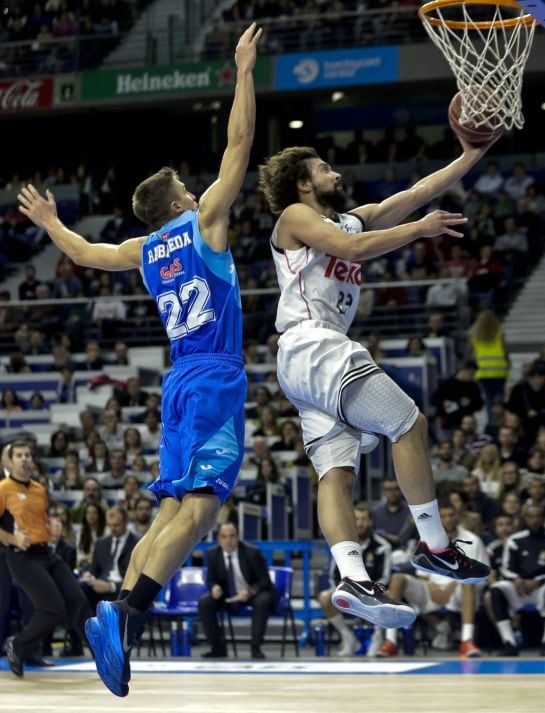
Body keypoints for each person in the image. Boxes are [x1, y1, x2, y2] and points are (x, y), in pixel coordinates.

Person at [18, 23, 261, 697]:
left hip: (179, 378)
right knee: (203, 507)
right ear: (180, 203)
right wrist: (242, 71)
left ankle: (118, 611)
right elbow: (239, 143)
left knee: (170, 508)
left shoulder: (144, 250)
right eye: (189, 185)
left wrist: (50, 225)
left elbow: (83, 254)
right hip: (213, 373)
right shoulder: (203, 220)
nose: (196, 187)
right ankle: (126, 613)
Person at [257, 136, 493, 629]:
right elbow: (352, 247)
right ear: (303, 184)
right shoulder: (295, 218)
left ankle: (352, 578)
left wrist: (469, 156)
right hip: (312, 345)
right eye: (325, 169)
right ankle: (435, 546)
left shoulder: (348, 216)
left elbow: (411, 195)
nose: (335, 174)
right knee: (408, 423)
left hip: (305, 365)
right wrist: (419, 231)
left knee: (337, 474)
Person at [0, 441, 92, 677]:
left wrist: (49, 529)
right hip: (23, 557)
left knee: (76, 597)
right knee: (52, 607)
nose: (24, 459)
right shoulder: (4, 488)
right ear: (9, 461)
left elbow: (37, 520)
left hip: (46, 553)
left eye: (28, 455)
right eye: (19, 455)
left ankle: (91, 646)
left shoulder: (39, 489)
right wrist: (12, 538)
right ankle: (18, 644)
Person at [376, 501, 489, 659]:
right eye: (443, 516)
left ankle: (467, 641)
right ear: (437, 519)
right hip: (430, 589)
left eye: (451, 515)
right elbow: (421, 573)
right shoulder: (428, 539)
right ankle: (390, 641)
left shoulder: (472, 539)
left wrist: (452, 585)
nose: (448, 519)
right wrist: (430, 585)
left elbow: (481, 574)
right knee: (397, 579)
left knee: (467, 583)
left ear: (458, 517)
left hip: (459, 592)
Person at [318, 504, 392, 657]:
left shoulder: (382, 546)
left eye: (364, 519)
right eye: (356, 519)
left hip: (374, 592)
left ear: (371, 522)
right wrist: (346, 591)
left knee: (390, 595)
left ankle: (377, 638)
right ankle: (348, 638)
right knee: (325, 597)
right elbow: (333, 575)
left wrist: (366, 592)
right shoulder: (341, 545)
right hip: (348, 591)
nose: (359, 523)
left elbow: (385, 577)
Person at [198, 522, 277, 659]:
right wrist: (214, 588)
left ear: (238, 537)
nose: (228, 541)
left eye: (232, 536)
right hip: (228, 595)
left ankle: (255, 648)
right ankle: (217, 648)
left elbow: (265, 582)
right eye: (224, 537)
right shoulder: (212, 554)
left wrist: (250, 591)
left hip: (253, 593)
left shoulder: (252, 552)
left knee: (262, 601)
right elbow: (211, 580)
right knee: (205, 602)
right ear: (218, 538)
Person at [489, 504, 545, 655]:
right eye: (531, 517)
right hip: (519, 587)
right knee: (497, 588)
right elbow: (506, 568)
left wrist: (539, 581)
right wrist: (516, 579)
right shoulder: (516, 539)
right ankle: (509, 642)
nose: (535, 520)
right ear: (525, 519)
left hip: (541, 587)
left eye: (538, 516)